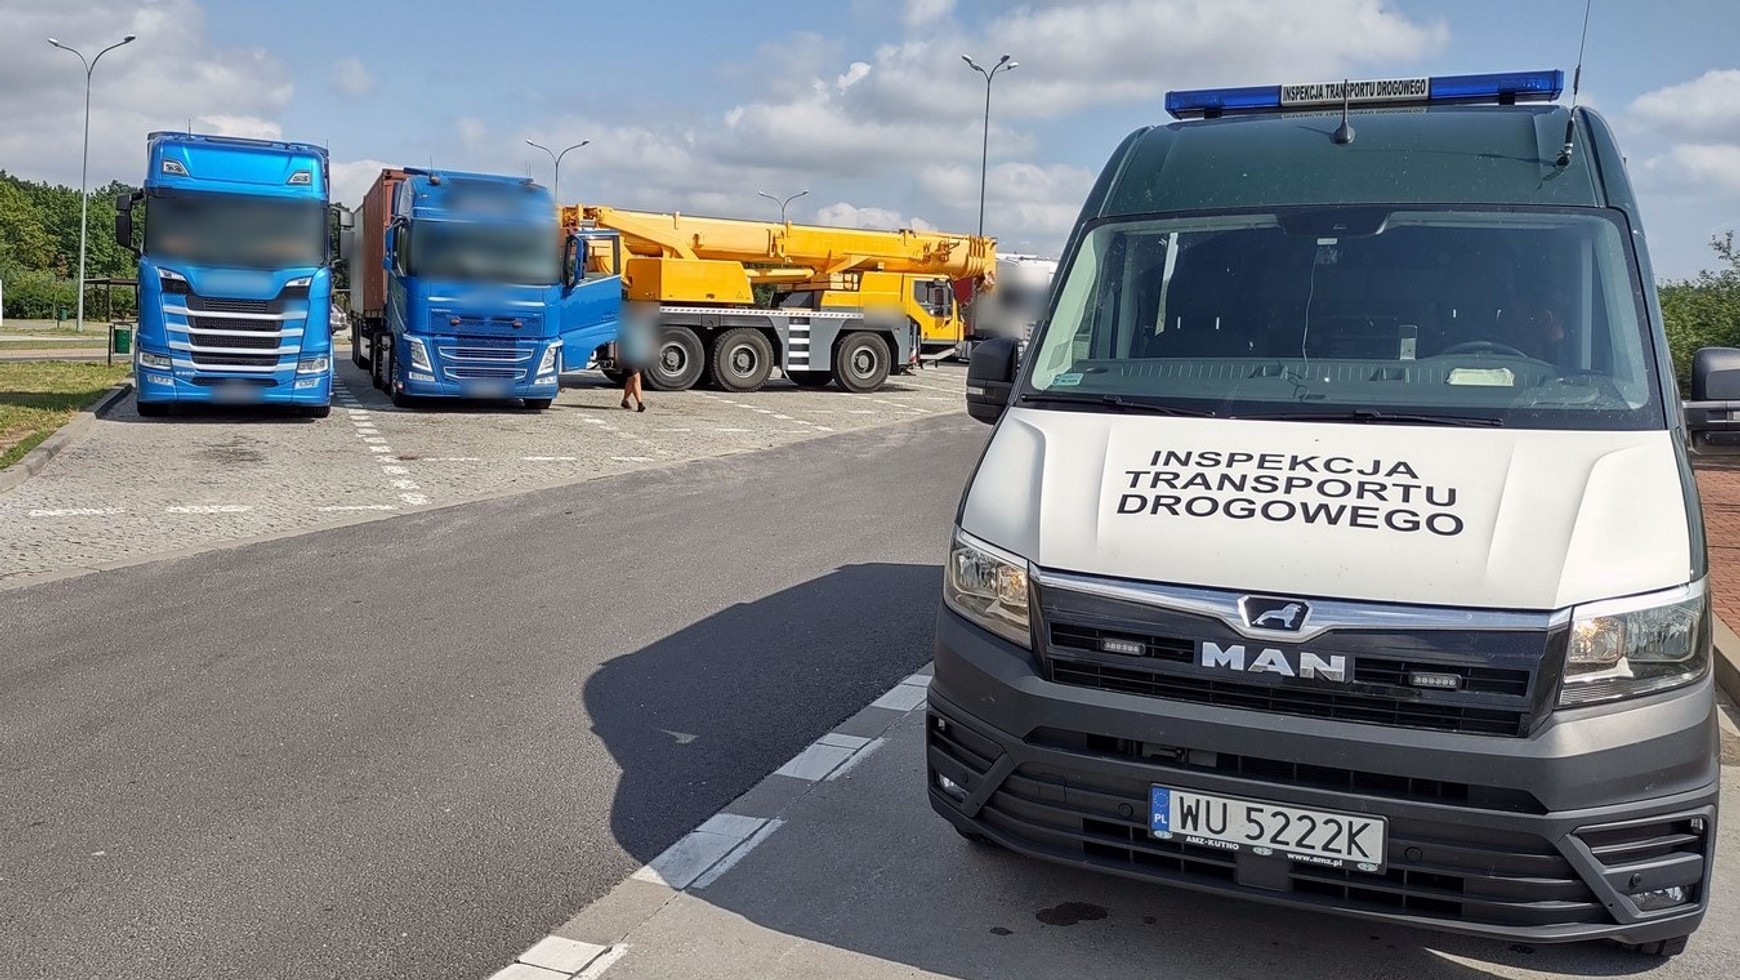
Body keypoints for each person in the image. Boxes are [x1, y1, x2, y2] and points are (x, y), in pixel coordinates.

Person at [617, 306, 653, 412]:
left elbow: (648, 339)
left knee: (631, 380)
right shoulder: (624, 325)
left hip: (639, 355)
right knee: (636, 377)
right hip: (628, 356)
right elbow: (619, 340)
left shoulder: (643, 325)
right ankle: (640, 403)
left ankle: (624, 400)